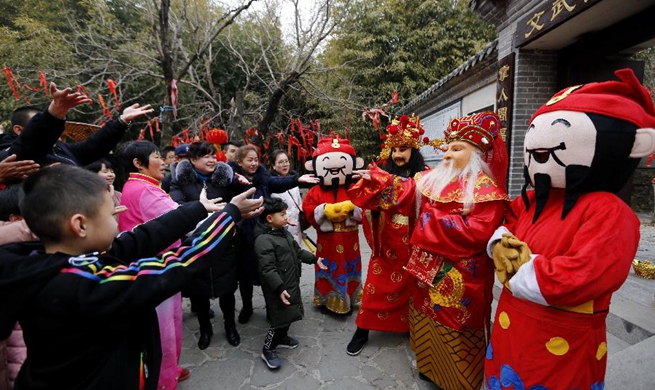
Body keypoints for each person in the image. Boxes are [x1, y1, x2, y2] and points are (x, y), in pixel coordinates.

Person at [0, 164, 263, 390]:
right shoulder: (86, 284)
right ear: (80, 225)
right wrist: (230, 215)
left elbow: (140, 239)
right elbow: (182, 262)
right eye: (109, 213)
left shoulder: (44, 260)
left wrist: (198, 209)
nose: (118, 217)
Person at [485, 69, 655, 389]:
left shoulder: (610, 212)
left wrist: (518, 267)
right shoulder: (535, 199)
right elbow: (506, 222)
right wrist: (500, 242)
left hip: (562, 337)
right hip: (511, 324)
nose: (537, 156)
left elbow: (587, 274)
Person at [354, 111, 508, 389]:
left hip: (460, 280)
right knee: (425, 317)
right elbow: (404, 190)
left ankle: (458, 381)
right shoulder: (433, 178)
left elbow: (475, 234)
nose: (447, 154)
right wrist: (378, 180)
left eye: (457, 148)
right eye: (447, 148)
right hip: (425, 271)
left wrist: (429, 217)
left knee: (455, 327)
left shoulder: (486, 190)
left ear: (477, 155)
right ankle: (429, 367)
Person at [345, 115, 428, 356]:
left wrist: (384, 181)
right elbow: (366, 200)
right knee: (376, 286)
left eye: (403, 149)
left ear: (414, 150)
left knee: (414, 287)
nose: (397, 155)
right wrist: (370, 185)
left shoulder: (424, 176)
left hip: (415, 240)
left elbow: (413, 193)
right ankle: (362, 329)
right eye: (394, 150)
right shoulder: (382, 173)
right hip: (388, 238)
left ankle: (410, 325)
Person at [116, 140, 192, 387]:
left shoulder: (140, 186)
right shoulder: (144, 189)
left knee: (171, 324)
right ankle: (163, 379)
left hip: (158, 265)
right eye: (157, 156)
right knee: (164, 330)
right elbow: (177, 218)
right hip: (156, 267)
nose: (163, 161)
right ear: (138, 163)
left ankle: (170, 370)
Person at [228, 144, 318, 324]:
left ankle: (272, 308)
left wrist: (297, 179)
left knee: (268, 273)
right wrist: (234, 179)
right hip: (242, 236)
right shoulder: (232, 179)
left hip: (265, 232)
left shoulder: (264, 177)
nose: (253, 163)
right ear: (239, 161)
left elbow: (278, 182)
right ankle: (247, 307)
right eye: (249, 160)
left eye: (256, 159)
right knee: (245, 276)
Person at [169, 141, 241, 350]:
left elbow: (238, 205)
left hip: (223, 242)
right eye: (205, 156)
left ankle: (230, 327)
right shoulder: (179, 181)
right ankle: (205, 330)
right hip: (194, 244)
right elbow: (176, 208)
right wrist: (201, 209)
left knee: (227, 290)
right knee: (199, 294)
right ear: (192, 160)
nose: (211, 160)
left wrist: (235, 224)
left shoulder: (226, 180)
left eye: (213, 155)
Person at [0, 83, 152, 167]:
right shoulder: (9, 153)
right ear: (18, 130)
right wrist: (53, 114)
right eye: (37, 122)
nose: (52, 130)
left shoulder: (60, 149)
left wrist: (121, 122)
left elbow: (91, 147)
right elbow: (28, 148)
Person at [254, 197, 326, 369]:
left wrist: (315, 259)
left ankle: (283, 337)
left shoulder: (283, 233)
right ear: (270, 218)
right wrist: (279, 288)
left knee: (288, 313)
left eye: (285, 213)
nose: (286, 217)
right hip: (278, 287)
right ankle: (268, 349)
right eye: (282, 214)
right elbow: (268, 269)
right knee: (278, 319)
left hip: (289, 282)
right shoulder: (263, 240)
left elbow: (297, 252)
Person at [302, 135, 366, 315]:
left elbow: (365, 209)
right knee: (328, 267)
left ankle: (350, 298)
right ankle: (326, 299)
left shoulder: (355, 188)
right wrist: (322, 210)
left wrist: (353, 209)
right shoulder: (315, 191)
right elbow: (308, 209)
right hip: (327, 241)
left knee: (349, 266)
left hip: (350, 239)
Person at [269, 149, 304, 245]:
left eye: (286, 161)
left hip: (297, 228)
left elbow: (299, 205)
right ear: (273, 166)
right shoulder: (271, 185)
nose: (285, 164)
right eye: (280, 162)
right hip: (281, 231)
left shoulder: (295, 181)